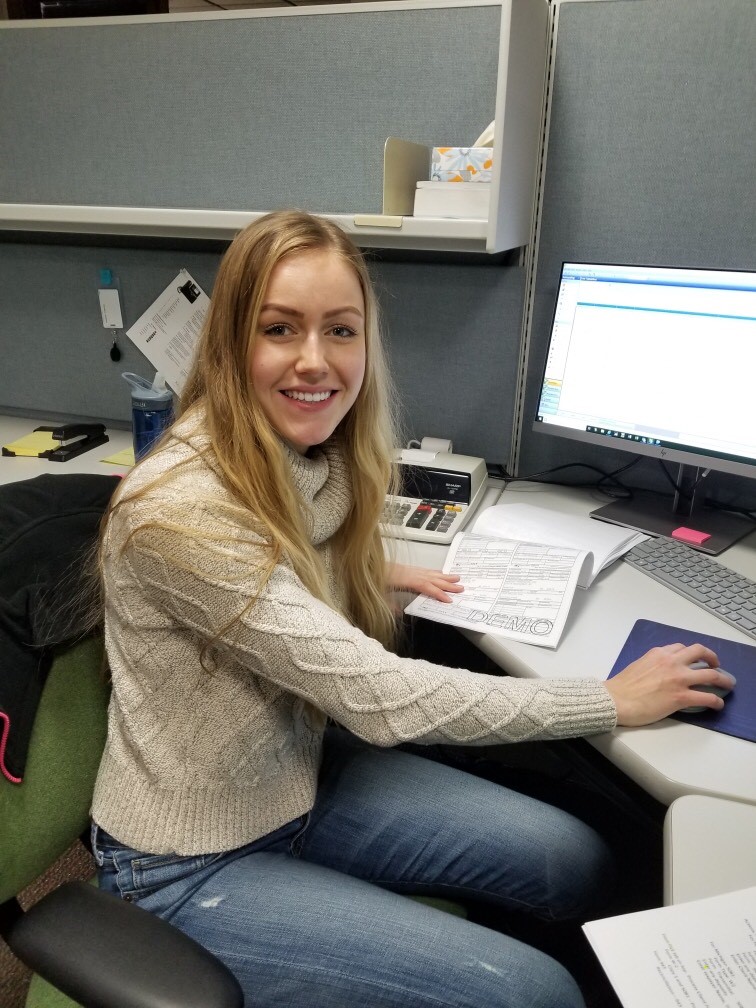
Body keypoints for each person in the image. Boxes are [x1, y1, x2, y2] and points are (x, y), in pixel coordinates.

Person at [90, 209, 734, 1008]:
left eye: (341, 331)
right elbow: (381, 698)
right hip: (188, 862)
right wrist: (609, 700)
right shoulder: (177, 511)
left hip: (298, 779)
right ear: (228, 344)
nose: (316, 361)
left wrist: (370, 571)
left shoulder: (307, 455)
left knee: (574, 860)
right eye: (280, 329)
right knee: (534, 993)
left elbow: (279, 557)